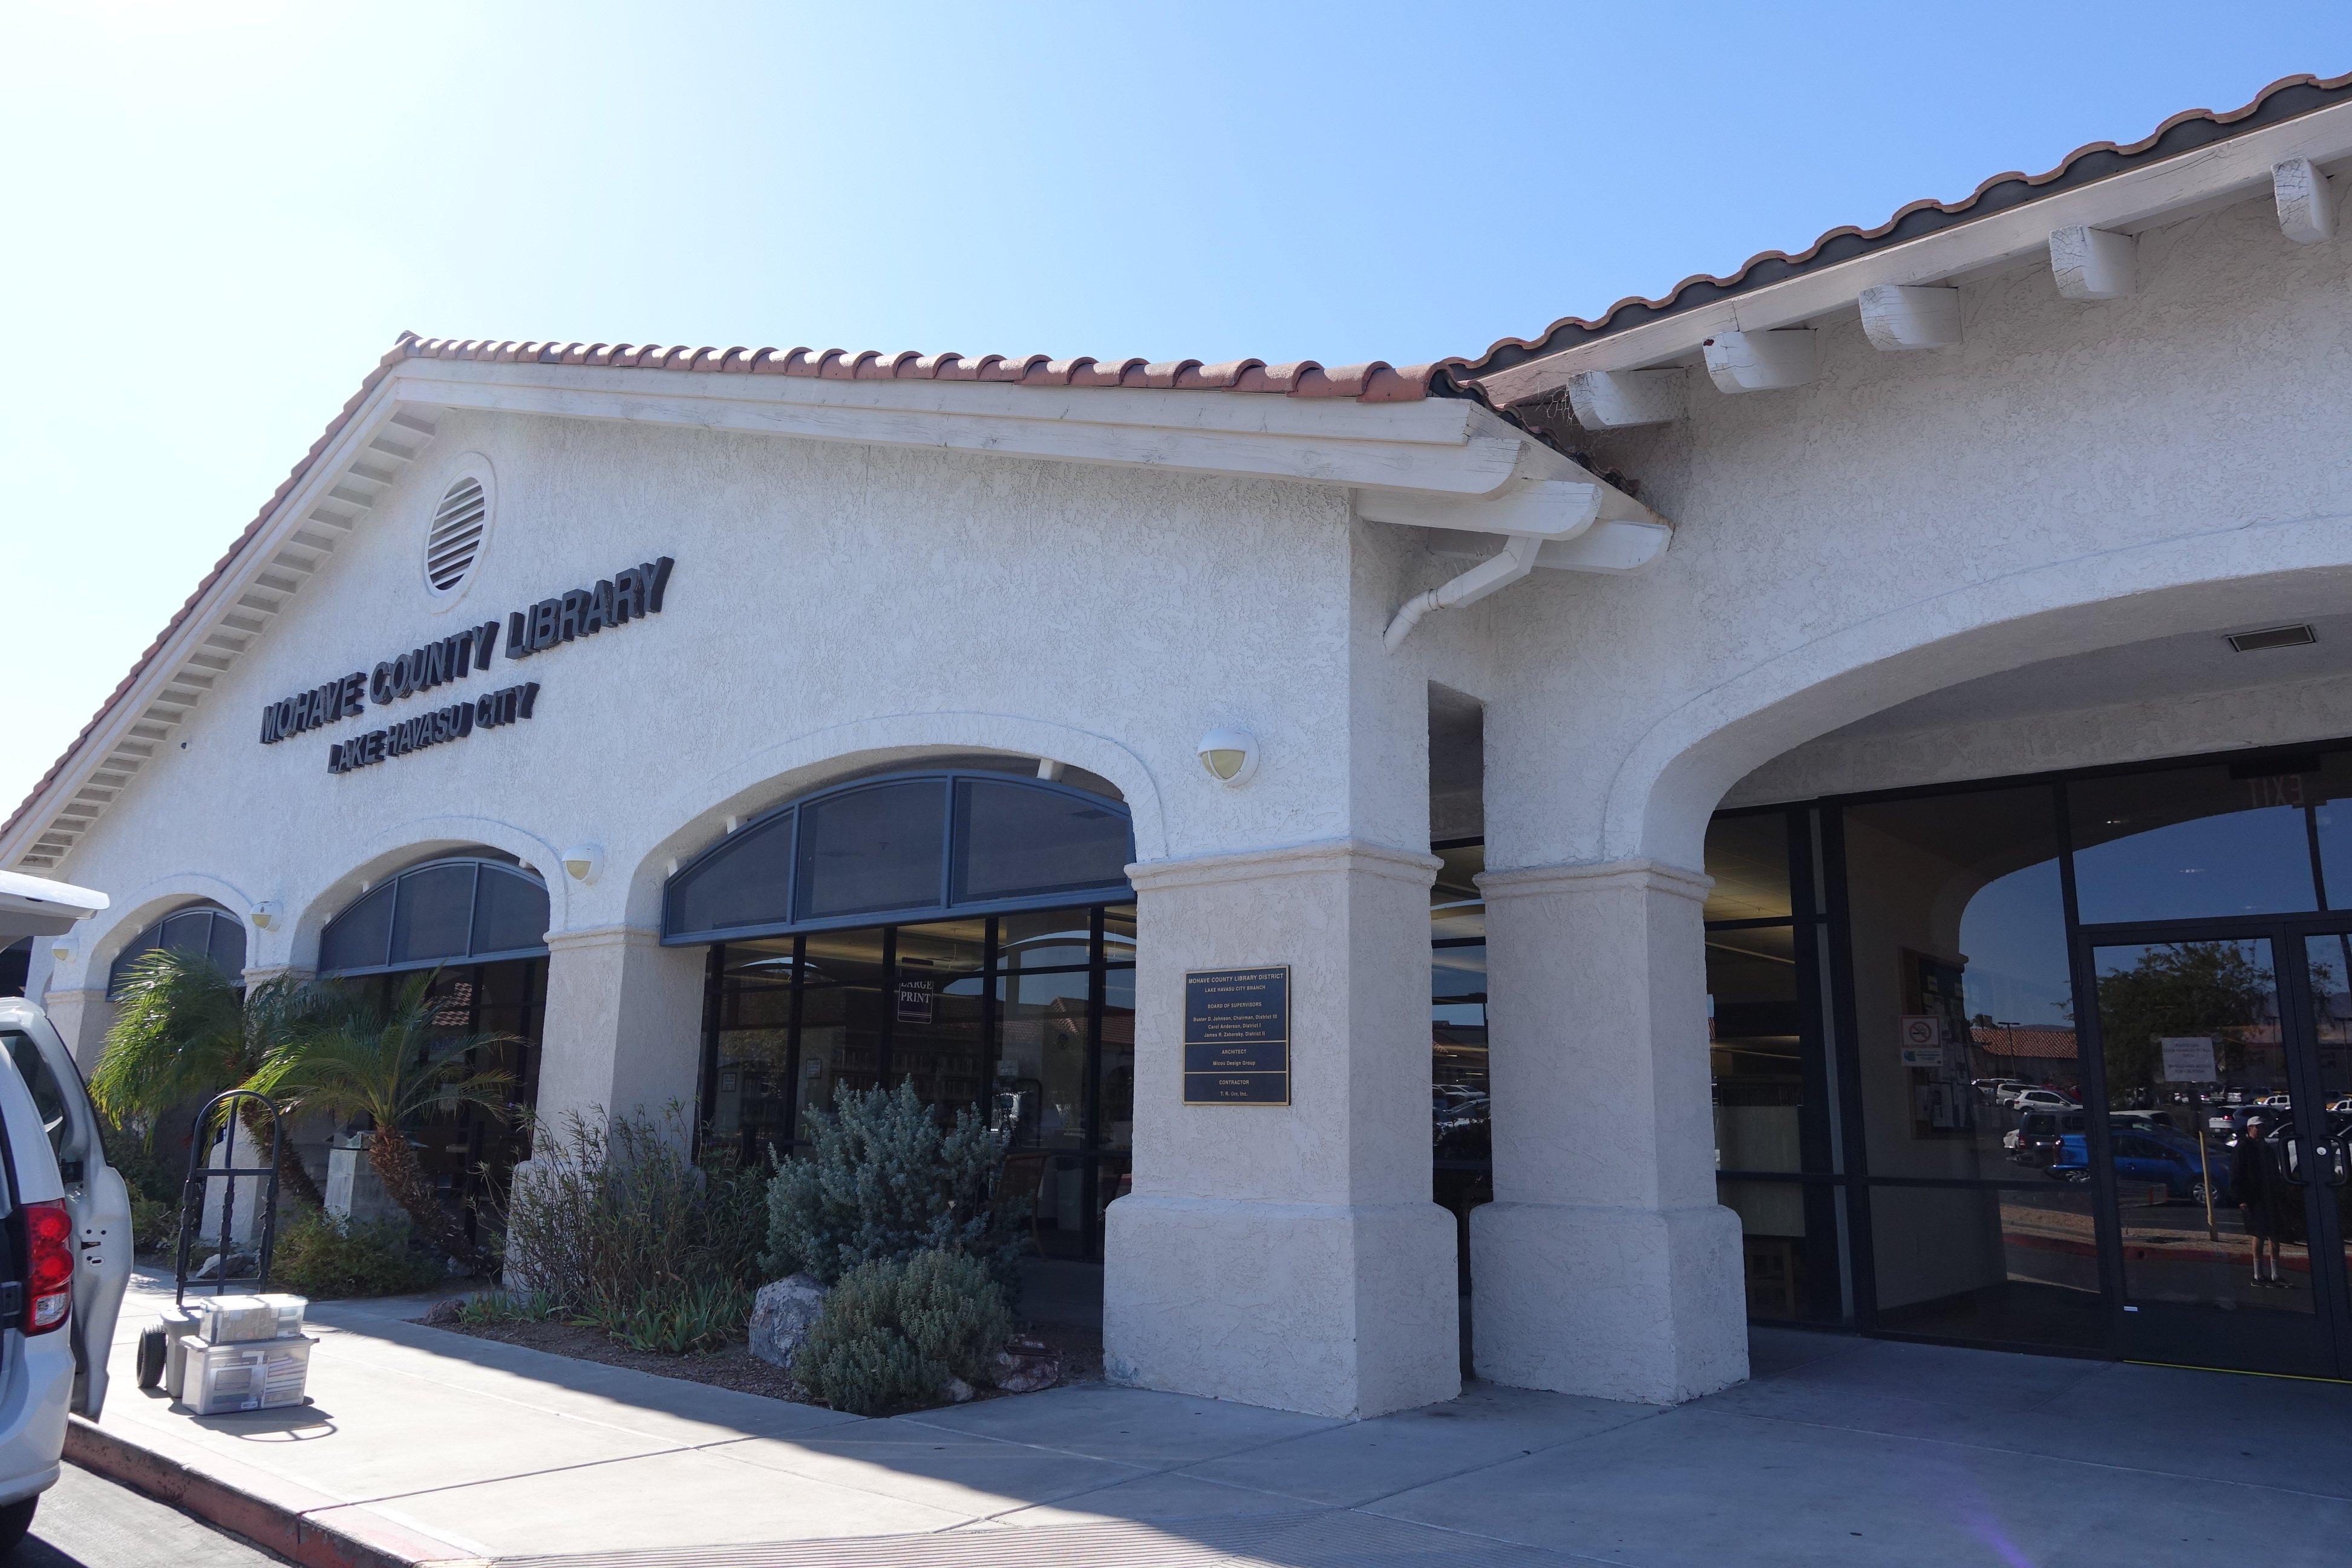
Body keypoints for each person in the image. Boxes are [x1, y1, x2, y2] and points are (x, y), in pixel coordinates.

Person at [2232, 1116, 2283, 1288]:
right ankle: (2258, 1274)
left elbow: (2274, 1170)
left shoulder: (2265, 1147)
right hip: (2254, 1198)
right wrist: (2242, 1198)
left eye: (2263, 1127)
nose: (2261, 1130)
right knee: (2259, 1234)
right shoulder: (2244, 1147)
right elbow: (2237, 1173)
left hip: (2270, 1195)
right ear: (2250, 1129)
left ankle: (2276, 1275)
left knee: (2274, 1234)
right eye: (2258, 1127)